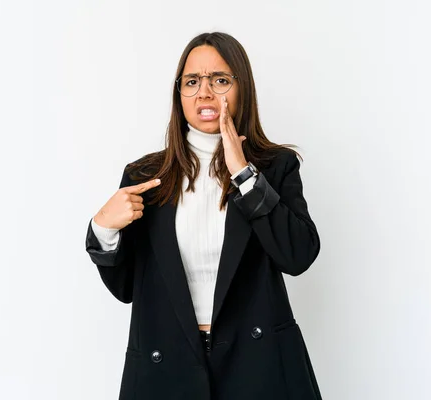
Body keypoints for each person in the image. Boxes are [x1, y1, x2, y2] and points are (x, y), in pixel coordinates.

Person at [85, 31, 323, 400]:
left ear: (242, 88)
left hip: (258, 366)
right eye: (192, 81)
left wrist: (244, 175)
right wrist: (103, 229)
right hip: (168, 367)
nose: (205, 93)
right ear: (179, 93)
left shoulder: (274, 168)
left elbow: (298, 256)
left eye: (221, 80)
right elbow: (126, 288)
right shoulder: (144, 177)